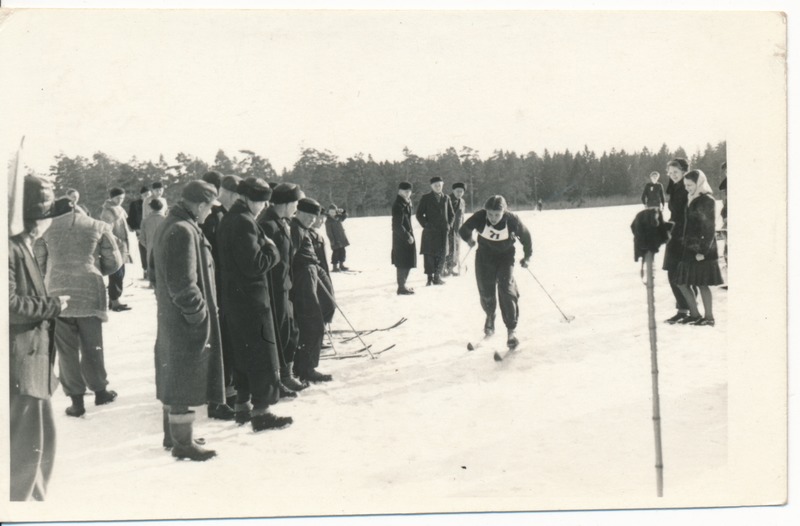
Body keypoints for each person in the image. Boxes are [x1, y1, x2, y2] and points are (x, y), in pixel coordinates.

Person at [150, 180, 226, 460]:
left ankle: (174, 436)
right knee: (183, 379)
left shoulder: (170, 224)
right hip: (185, 320)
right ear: (200, 204)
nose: (209, 213)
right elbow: (184, 284)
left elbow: (153, 273)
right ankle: (183, 445)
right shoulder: (182, 230)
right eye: (209, 208)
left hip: (172, 317)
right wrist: (198, 315)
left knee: (174, 375)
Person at [9, 175, 69, 500]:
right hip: (20, 365)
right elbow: (7, 305)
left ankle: (34, 500)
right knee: (23, 449)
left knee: (40, 443)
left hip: (34, 365)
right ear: (38, 220)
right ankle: (18, 508)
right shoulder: (10, 248)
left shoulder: (22, 246)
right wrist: (53, 305)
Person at [217, 177, 293, 431]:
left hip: (235, 301)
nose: (263, 206)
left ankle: (242, 407)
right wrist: (272, 251)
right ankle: (261, 413)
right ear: (249, 199)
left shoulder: (231, 218)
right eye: (261, 202)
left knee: (243, 354)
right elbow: (254, 264)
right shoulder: (243, 222)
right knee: (261, 355)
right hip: (251, 302)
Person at [36, 197, 123, 417]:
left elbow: (39, 263)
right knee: (93, 344)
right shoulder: (98, 225)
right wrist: (96, 270)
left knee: (66, 349)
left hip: (57, 292)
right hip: (89, 290)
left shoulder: (45, 231)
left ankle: (76, 401)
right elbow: (115, 260)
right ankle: (101, 391)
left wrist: (51, 277)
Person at [459, 195, 533, 347]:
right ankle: (490, 316)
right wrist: (469, 239)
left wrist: (527, 257)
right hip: (484, 257)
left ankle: (511, 330)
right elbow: (463, 229)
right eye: (490, 214)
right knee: (486, 292)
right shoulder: (480, 216)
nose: (493, 218)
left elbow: (526, 237)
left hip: (505, 257)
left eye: (497, 215)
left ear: (504, 212)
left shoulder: (512, 220)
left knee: (506, 289)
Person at [199, 173, 242, 419]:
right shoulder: (213, 218)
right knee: (219, 340)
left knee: (225, 338)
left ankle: (224, 390)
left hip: (224, 287)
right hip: (215, 288)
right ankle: (218, 396)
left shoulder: (221, 215)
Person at [258, 182, 307, 394]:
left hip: (284, 286)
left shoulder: (281, 221)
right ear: (286, 203)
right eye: (295, 203)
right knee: (279, 332)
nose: (297, 207)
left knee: (289, 330)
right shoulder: (268, 224)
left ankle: (286, 374)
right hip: (273, 288)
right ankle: (279, 379)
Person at [291, 197, 334, 383]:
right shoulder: (294, 229)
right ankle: (305, 368)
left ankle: (306, 363)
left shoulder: (304, 229)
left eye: (313, 216)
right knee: (311, 322)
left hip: (312, 271)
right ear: (298, 212)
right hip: (302, 278)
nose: (311, 219)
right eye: (308, 215)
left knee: (325, 309)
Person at [674, 170, 724, 326]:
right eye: (685, 185)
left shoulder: (707, 200)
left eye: (690, 185)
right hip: (689, 247)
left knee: (702, 283)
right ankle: (695, 314)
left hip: (702, 249)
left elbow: (709, 228)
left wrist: (702, 251)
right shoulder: (692, 198)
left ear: (699, 183)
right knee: (682, 282)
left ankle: (709, 318)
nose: (687, 188)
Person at [662, 158, 696, 324]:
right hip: (674, 233)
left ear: (684, 171)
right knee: (672, 272)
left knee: (683, 273)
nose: (672, 175)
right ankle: (683, 309)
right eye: (670, 172)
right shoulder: (675, 188)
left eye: (676, 172)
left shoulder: (688, 187)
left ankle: (690, 310)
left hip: (684, 235)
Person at [416, 176, 454, 285]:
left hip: (443, 232)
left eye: (439, 185)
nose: (438, 187)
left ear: (442, 185)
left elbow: (452, 215)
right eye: (435, 185)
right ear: (431, 186)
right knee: (429, 255)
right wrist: (426, 225)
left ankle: (437, 277)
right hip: (430, 232)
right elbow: (419, 214)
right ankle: (429, 278)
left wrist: (449, 225)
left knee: (441, 254)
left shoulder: (446, 198)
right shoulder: (426, 198)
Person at [100, 187, 132, 312]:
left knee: (120, 273)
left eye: (122, 198)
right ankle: (114, 301)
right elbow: (106, 230)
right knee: (116, 273)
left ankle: (115, 300)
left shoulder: (120, 209)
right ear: (111, 197)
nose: (120, 200)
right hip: (114, 247)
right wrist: (117, 241)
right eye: (117, 198)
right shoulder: (108, 212)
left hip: (122, 246)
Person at [310, 212, 336, 326]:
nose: (321, 223)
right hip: (315, 274)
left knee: (328, 302)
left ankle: (323, 328)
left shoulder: (317, 234)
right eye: (320, 219)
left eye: (323, 221)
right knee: (323, 303)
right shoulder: (308, 234)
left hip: (323, 272)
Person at [391, 181, 416, 295]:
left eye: (409, 191)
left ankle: (403, 285)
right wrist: (407, 236)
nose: (407, 193)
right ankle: (401, 287)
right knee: (402, 262)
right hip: (401, 238)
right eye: (405, 191)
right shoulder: (398, 205)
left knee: (407, 262)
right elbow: (396, 225)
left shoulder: (406, 203)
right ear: (399, 191)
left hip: (406, 236)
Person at [139, 198, 168, 284]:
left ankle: (152, 283)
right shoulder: (166, 220)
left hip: (150, 247)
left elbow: (142, 238)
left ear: (151, 208)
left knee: (151, 266)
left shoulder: (145, 221)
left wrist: (147, 246)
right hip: (163, 246)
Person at [128, 186, 152, 279]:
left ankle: (152, 270)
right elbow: (131, 217)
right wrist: (135, 228)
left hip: (152, 229)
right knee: (143, 249)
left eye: (148, 194)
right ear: (141, 195)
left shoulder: (153, 203)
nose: (147, 196)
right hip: (140, 230)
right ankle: (145, 270)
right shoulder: (135, 204)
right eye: (145, 194)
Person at [444, 182, 466, 277]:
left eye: (461, 191)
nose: (459, 193)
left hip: (458, 229)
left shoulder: (462, 202)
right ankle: (443, 269)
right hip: (448, 229)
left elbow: (462, 216)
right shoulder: (447, 199)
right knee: (448, 249)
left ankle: (451, 268)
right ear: (453, 191)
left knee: (456, 249)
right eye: (457, 191)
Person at [325, 204, 350, 272]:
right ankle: (334, 267)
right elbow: (329, 233)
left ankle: (341, 265)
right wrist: (332, 241)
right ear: (328, 212)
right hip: (335, 240)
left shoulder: (338, 218)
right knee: (336, 253)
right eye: (331, 212)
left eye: (334, 212)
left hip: (341, 238)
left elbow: (345, 216)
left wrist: (343, 211)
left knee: (342, 252)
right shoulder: (328, 221)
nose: (332, 213)